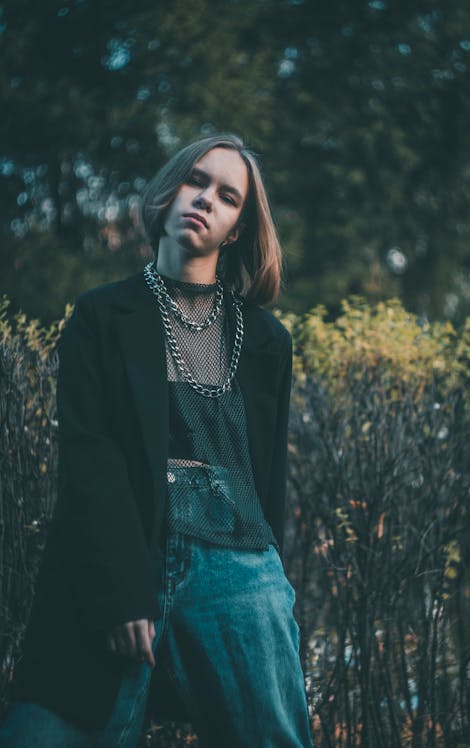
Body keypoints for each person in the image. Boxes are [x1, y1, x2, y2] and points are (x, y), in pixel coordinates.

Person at [0, 133, 313, 747]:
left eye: (228, 197)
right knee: (48, 732)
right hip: (123, 549)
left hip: (237, 564)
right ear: (170, 191)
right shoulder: (100, 317)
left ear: (237, 230)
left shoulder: (267, 341)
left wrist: (266, 591)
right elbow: (90, 458)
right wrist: (120, 586)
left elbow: (264, 480)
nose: (206, 200)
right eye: (197, 181)